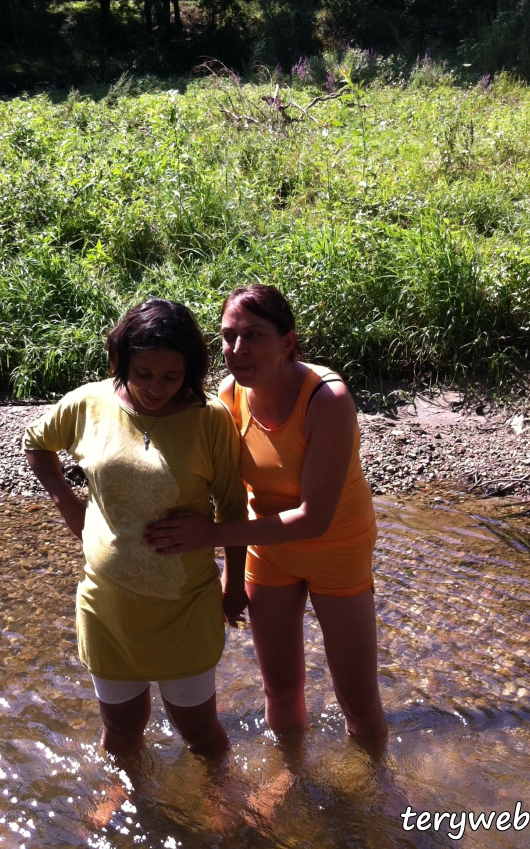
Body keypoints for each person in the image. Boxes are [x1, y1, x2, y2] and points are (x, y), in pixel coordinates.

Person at [145, 285, 387, 749]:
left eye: (253, 335)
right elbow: (229, 490)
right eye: (228, 336)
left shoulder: (327, 399)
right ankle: (291, 773)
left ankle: (377, 793)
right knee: (279, 688)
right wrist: (231, 577)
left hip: (338, 548)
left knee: (357, 700)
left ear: (288, 342)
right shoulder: (230, 395)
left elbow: (314, 519)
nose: (238, 350)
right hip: (268, 551)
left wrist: (208, 537)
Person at [23, 298, 248, 760]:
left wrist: (235, 581)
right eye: (142, 373)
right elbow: (36, 442)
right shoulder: (90, 402)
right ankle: (128, 798)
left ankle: (221, 805)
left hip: (185, 606)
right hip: (109, 606)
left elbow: (231, 506)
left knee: (201, 734)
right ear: (120, 360)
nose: (155, 388)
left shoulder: (210, 419)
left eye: (171, 376)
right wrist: (69, 502)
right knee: (121, 730)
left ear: (192, 369)